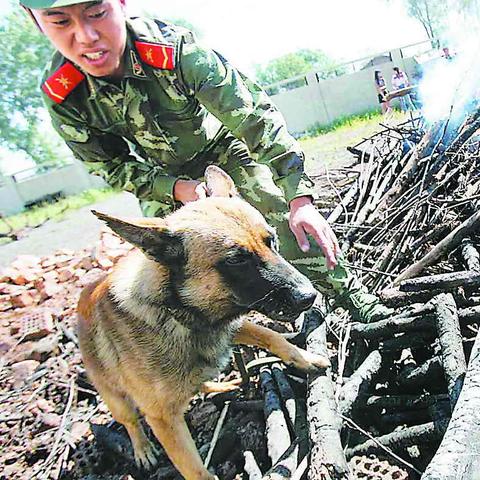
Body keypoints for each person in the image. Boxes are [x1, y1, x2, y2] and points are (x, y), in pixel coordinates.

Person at [21, 0, 391, 322]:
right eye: (60, 22)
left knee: (277, 218)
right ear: (35, 22)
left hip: (223, 153)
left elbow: (255, 119)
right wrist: (175, 189)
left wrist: (299, 199)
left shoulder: (174, 51)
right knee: (169, 269)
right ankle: (231, 339)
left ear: (120, 3)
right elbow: (111, 167)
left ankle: (350, 296)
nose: (85, 36)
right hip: (163, 179)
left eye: (96, 13)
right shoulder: (63, 95)